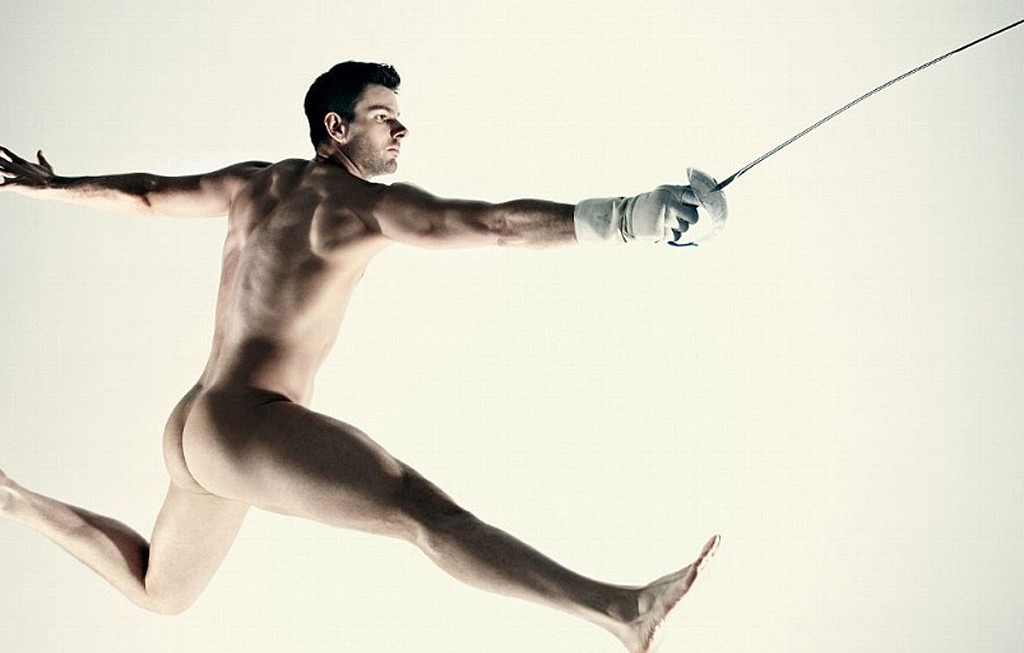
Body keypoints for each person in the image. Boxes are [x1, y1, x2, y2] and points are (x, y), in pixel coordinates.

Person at [0, 61, 719, 653]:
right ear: (336, 127)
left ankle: (10, 498)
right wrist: (632, 218)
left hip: (196, 423)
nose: (400, 128)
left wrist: (53, 186)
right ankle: (623, 611)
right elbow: (496, 224)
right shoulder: (361, 205)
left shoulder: (253, 183)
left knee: (161, 590)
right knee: (422, 513)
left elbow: (150, 196)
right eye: (382, 115)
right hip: (248, 423)